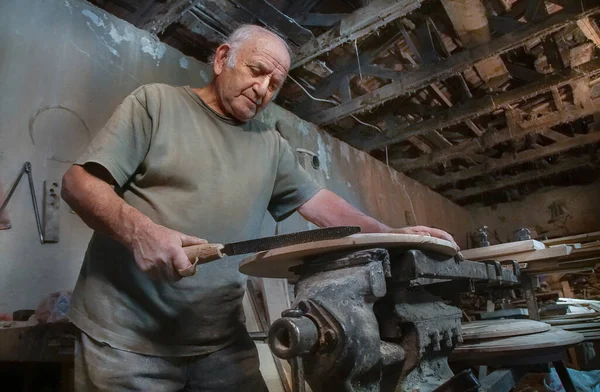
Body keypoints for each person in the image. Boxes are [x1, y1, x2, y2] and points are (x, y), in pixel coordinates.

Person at [61, 24, 458, 392]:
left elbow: (321, 206)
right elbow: (78, 184)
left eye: (275, 84)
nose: (263, 88)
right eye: (256, 70)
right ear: (221, 60)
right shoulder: (155, 103)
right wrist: (140, 232)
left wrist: (387, 233)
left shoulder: (270, 144)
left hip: (220, 343)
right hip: (126, 340)